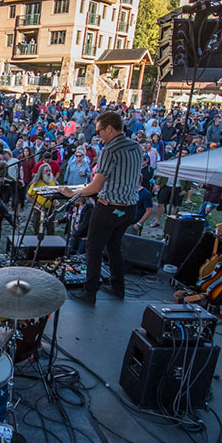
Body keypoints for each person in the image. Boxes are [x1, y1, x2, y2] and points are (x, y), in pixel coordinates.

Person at [61, 111, 144, 306]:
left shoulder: (109, 150)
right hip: (129, 208)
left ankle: (89, 294)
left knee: (93, 249)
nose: (98, 136)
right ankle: (118, 287)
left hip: (109, 208)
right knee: (114, 247)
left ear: (110, 128)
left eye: (99, 131)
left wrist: (69, 193)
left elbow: (96, 187)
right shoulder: (136, 147)